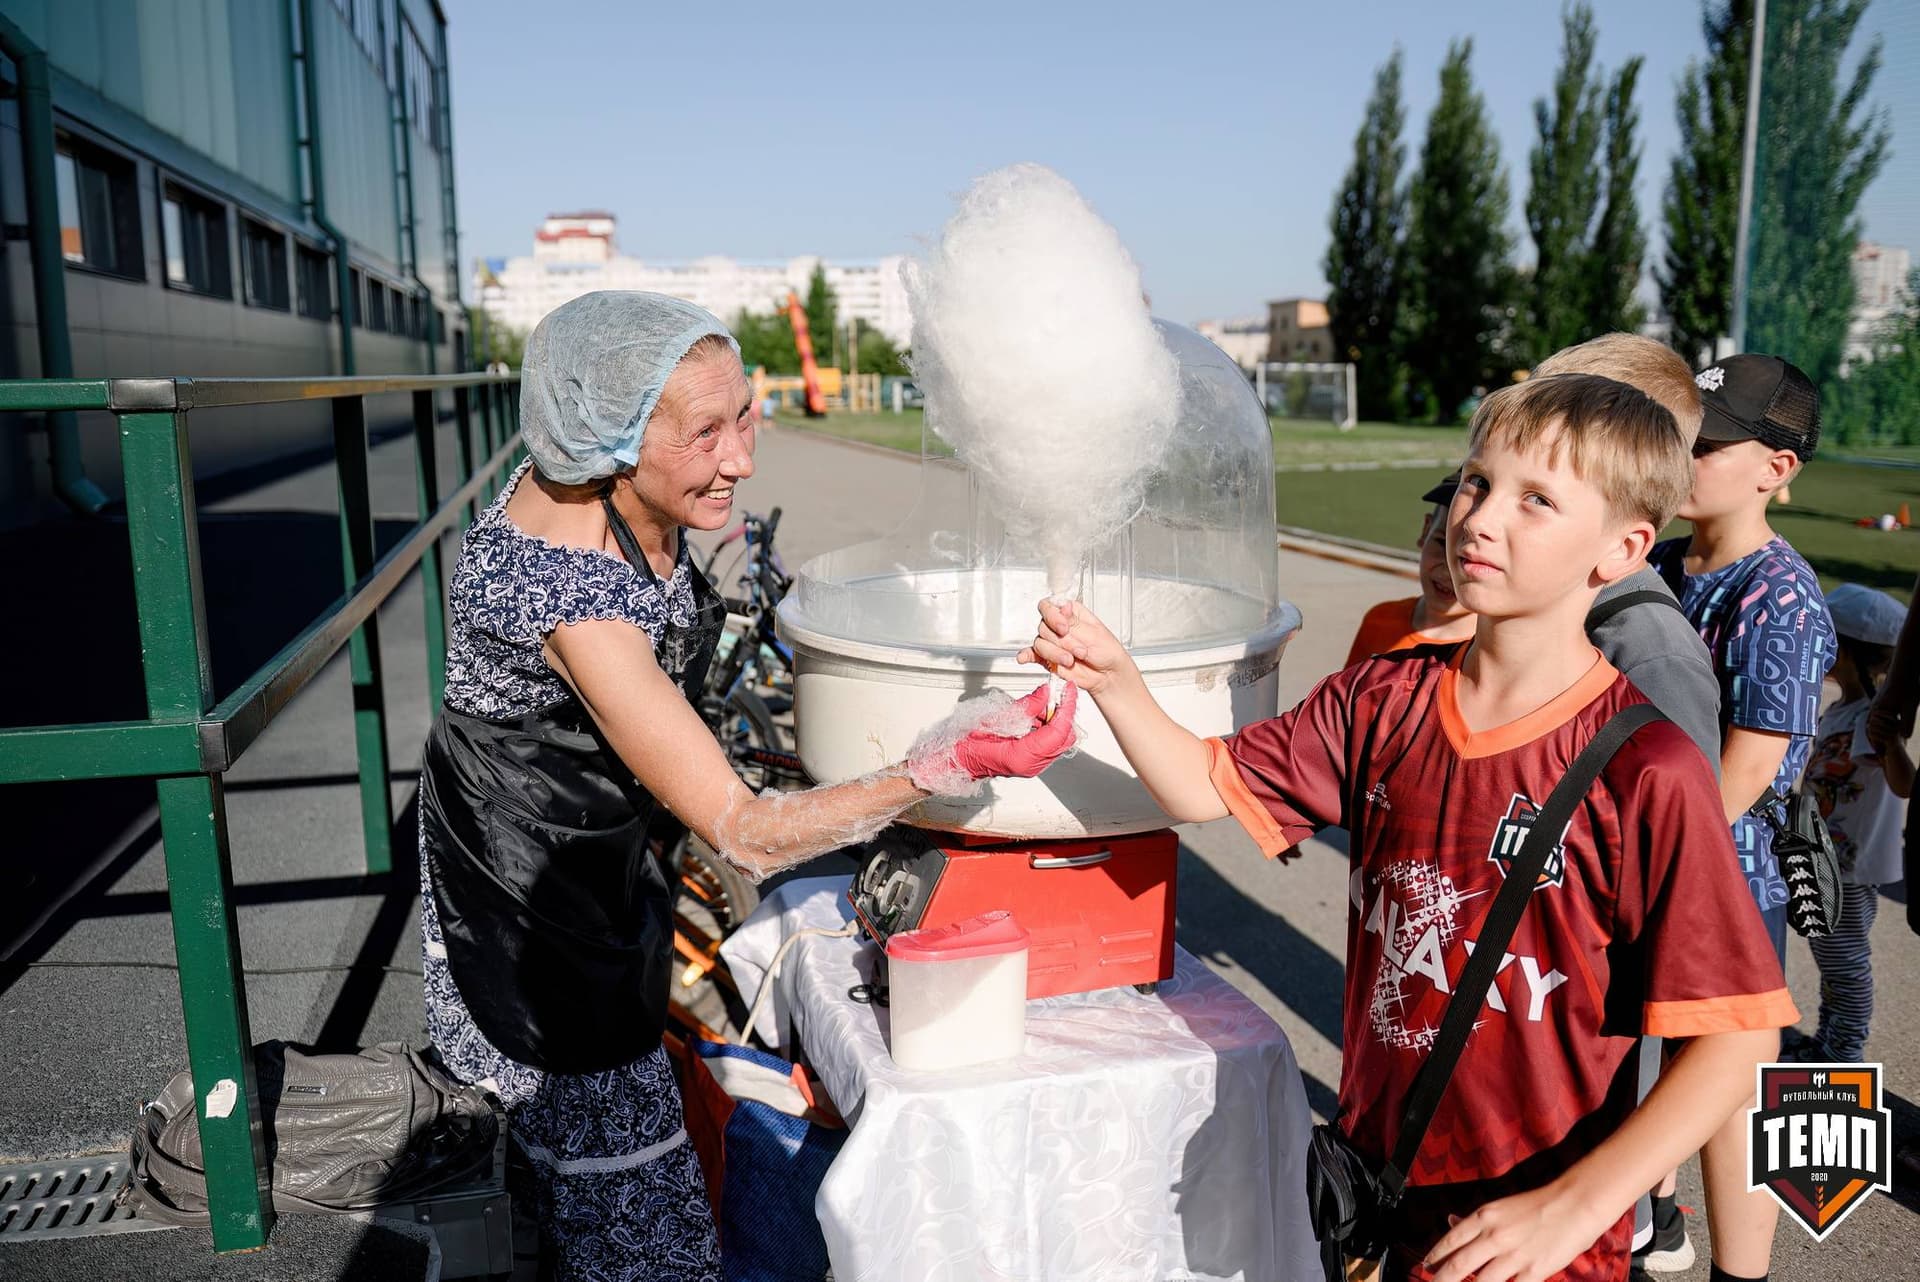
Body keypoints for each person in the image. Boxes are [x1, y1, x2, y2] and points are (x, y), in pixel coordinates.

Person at [1026, 373, 1794, 1281]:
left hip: (1535, 1236)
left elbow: (1740, 1036)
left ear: (1623, 547)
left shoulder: (1647, 766)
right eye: (1477, 481)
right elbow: (1204, 784)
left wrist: (1577, 1206)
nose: (1479, 517)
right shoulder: (1384, 696)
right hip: (1385, 1194)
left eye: (1536, 500)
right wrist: (1116, 682)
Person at [416, 291, 1078, 1280]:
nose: (742, 459)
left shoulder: (613, 487)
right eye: (707, 433)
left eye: (747, 416)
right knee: (651, 1243)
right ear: (612, 436)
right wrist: (934, 765)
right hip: (532, 937)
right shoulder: (562, 590)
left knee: (575, 1208)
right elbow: (747, 831)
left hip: (592, 875)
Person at [1647, 353, 1834, 1282]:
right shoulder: (1658, 559)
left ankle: (1742, 1275)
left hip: (1726, 880)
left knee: (1726, 1090)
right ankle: (1660, 1221)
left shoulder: (1780, 595)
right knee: (1640, 1058)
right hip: (1647, 860)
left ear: (1777, 468)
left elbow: (1750, 766)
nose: (1685, 460)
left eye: (1709, 446)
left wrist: (1651, 857)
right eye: (1681, 438)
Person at [1796, 583, 1911, 1063]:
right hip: (1827, 861)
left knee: (1846, 966)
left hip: (1849, 868)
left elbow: (1904, 783)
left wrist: (1891, 746)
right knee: (1830, 960)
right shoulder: (1843, 710)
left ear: (1842, 649)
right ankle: (1829, 1042)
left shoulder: (1873, 718)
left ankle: (1845, 1054)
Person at [1345, 474, 1478, 667]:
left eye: (1468, 554)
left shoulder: (1489, 651)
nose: (1449, 569)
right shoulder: (1379, 620)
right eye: (1442, 543)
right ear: (1426, 531)